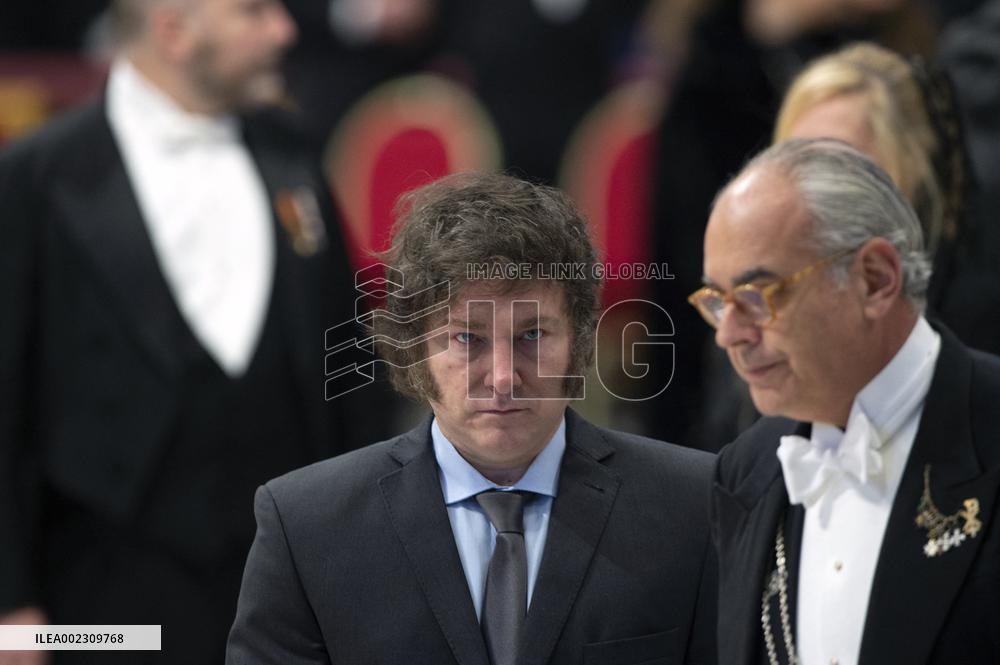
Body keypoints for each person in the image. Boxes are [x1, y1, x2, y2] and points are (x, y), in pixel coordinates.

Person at [0, 0, 370, 662]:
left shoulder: (298, 155)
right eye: (253, 12)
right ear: (174, 31)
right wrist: (10, 609)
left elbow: (350, 367)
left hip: (284, 586)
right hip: (100, 607)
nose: (283, 30)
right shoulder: (35, 176)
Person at [226, 172, 718, 665]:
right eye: (467, 338)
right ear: (414, 348)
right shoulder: (305, 524)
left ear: (580, 343)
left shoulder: (694, 506)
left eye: (533, 336)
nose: (503, 377)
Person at [693, 138, 1000, 665]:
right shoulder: (745, 471)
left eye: (757, 296)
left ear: (875, 279)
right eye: (718, 302)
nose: (730, 335)